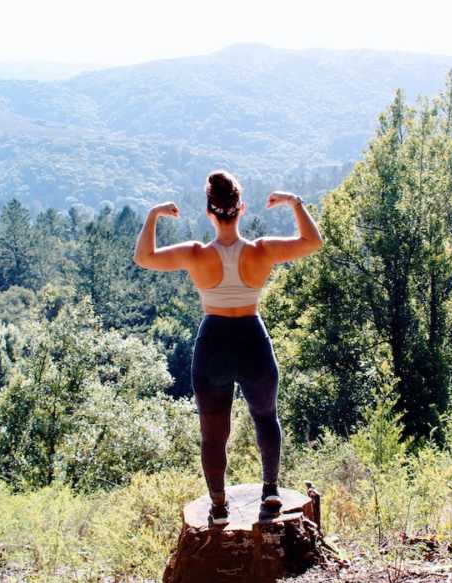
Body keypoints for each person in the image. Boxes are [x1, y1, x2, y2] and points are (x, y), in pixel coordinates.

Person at [133, 170, 323, 525]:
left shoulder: (195, 254)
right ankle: (270, 492)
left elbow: (144, 257)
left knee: (213, 432)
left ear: (209, 212)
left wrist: (153, 215)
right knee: (266, 417)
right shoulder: (262, 251)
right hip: (252, 339)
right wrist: (295, 203)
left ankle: (219, 507)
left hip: (214, 342)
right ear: (242, 209)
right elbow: (312, 242)